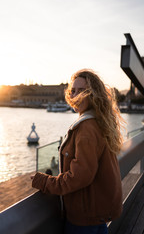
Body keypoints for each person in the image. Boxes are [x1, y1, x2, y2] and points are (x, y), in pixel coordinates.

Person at [31, 69, 124, 234]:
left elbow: (79, 177)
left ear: (93, 94)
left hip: (83, 220)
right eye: (73, 90)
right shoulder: (99, 122)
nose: (75, 95)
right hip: (96, 216)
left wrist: (44, 182)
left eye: (82, 91)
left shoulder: (87, 128)